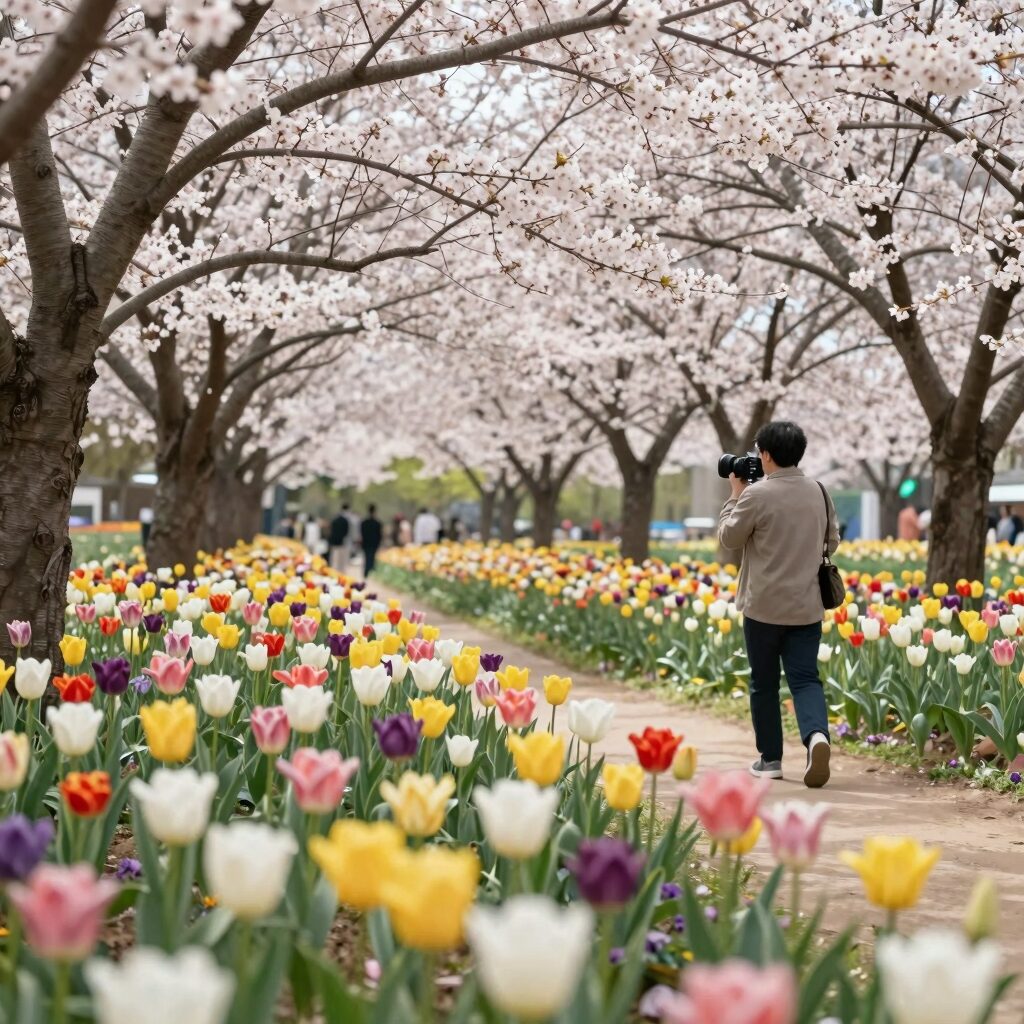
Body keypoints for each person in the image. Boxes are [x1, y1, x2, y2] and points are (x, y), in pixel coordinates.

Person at [718, 420, 838, 789]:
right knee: (804, 679)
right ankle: (816, 736)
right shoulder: (819, 491)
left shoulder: (757, 495)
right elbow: (831, 544)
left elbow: (729, 538)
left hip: (764, 607)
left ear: (766, 454)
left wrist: (735, 495)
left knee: (764, 683)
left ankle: (770, 759)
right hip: (806, 606)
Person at [360, 505, 383, 576]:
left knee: (367, 557)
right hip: (374, 543)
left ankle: (366, 571)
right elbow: (379, 535)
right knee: (372, 557)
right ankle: (371, 571)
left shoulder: (364, 522)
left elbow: (362, 533)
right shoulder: (377, 523)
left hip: (366, 543)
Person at [327, 506, 351, 572]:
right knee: (341, 560)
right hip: (341, 542)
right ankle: (340, 572)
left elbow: (330, 530)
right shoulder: (345, 521)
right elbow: (346, 532)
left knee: (334, 559)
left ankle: (332, 571)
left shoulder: (334, 520)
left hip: (334, 542)